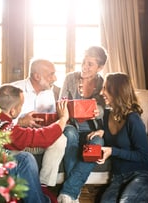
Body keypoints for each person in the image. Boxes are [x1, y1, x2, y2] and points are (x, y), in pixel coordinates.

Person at [0, 84, 69, 203]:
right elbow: (42, 137)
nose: (21, 109)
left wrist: (20, 123)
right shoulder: (7, 130)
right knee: (25, 158)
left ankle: (42, 190)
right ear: (12, 110)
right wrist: (63, 118)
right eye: (20, 106)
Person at [57, 46, 108, 202]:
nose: (84, 67)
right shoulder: (70, 78)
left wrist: (98, 110)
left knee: (98, 143)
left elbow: (106, 107)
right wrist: (68, 110)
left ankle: (69, 191)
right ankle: (72, 193)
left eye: (90, 64)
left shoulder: (102, 83)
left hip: (92, 129)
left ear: (100, 67)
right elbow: (61, 104)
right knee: (70, 135)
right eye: (84, 62)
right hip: (71, 126)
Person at [97, 72, 148, 202]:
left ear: (117, 91)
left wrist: (113, 151)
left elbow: (143, 155)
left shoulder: (133, 119)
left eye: (105, 88)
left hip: (141, 175)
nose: (101, 92)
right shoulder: (107, 115)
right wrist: (102, 131)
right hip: (118, 178)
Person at [11, 58, 67, 188]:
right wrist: (20, 121)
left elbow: (51, 121)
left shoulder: (50, 93)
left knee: (61, 139)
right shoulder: (14, 90)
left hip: (40, 138)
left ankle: (44, 184)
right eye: (51, 74)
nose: (55, 78)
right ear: (37, 76)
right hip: (20, 139)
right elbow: (0, 121)